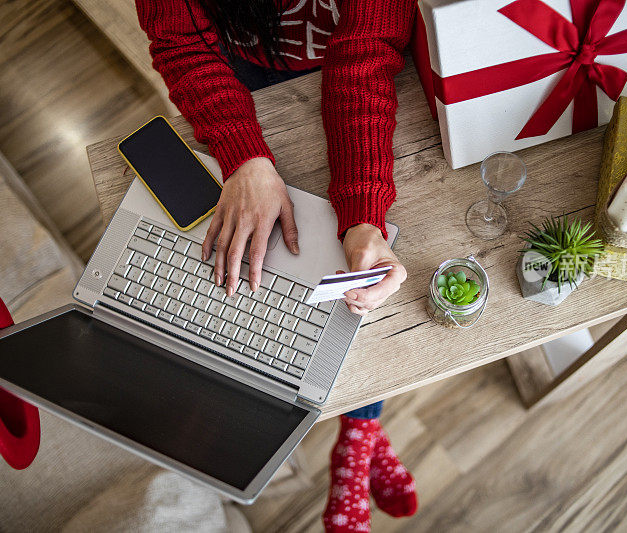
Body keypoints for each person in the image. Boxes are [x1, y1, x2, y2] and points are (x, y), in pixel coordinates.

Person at [136, 1, 417, 530]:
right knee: (272, 288)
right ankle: (363, 437)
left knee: (350, 290)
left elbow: (363, 57)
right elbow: (181, 43)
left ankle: (356, 438)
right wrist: (243, 155)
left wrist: (363, 217)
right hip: (238, 59)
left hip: (353, 57)